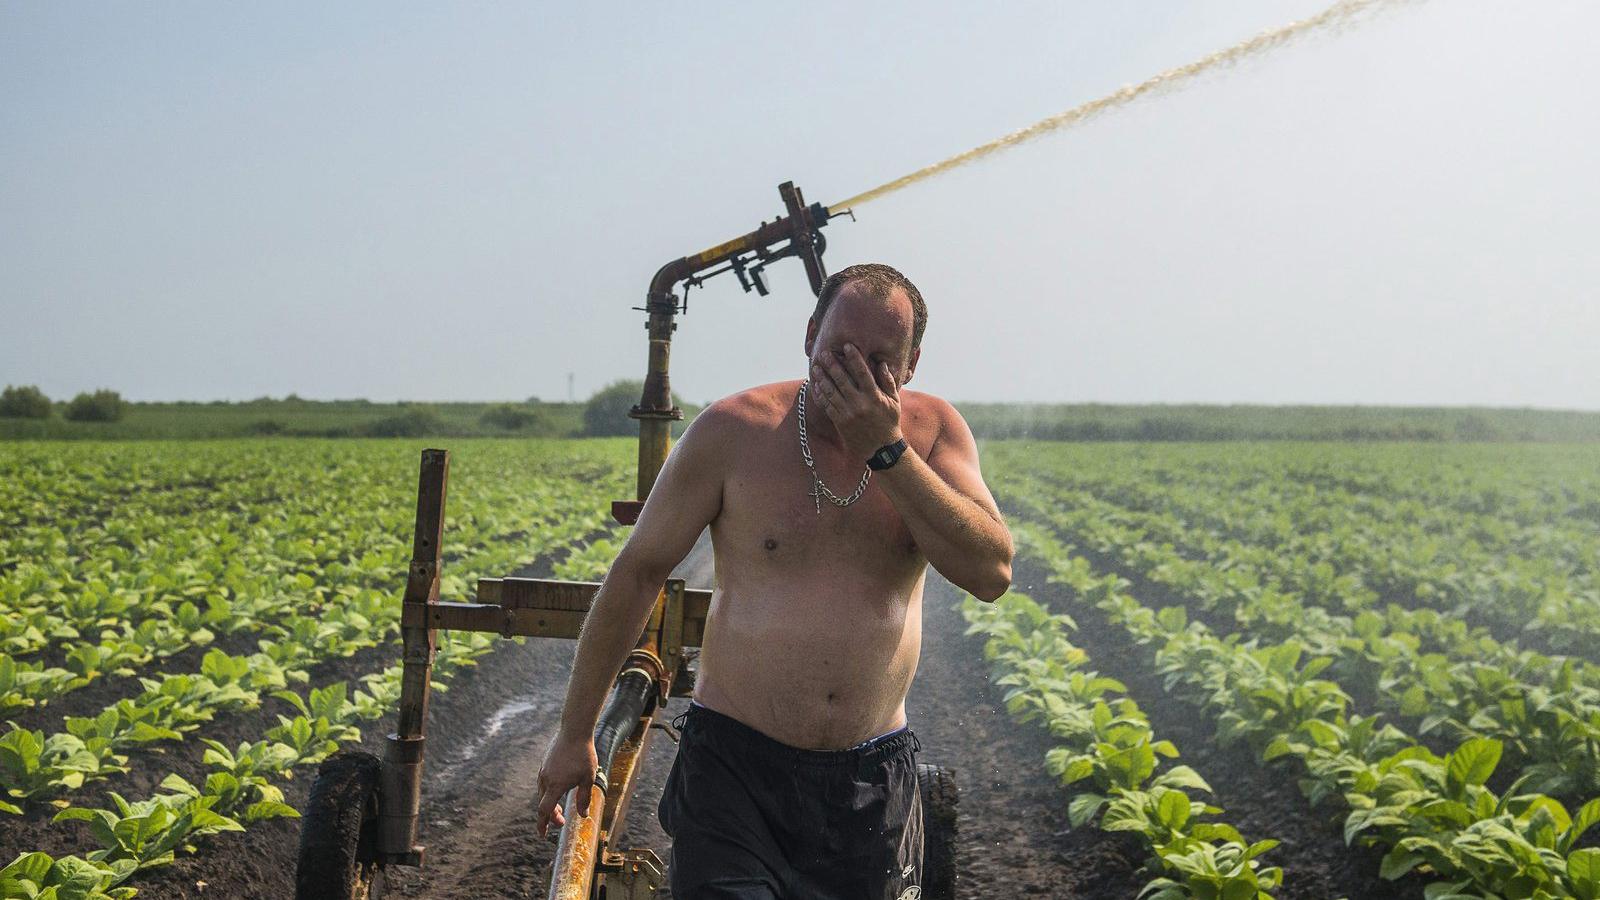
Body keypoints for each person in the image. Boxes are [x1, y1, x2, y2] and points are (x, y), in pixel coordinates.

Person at [535, 262, 1014, 899]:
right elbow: (637, 571)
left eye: (878, 361)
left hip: (870, 780)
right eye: (838, 350)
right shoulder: (735, 431)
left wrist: (887, 449)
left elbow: (992, 572)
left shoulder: (934, 435)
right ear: (810, 333)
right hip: (735, 774)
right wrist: (574, 735)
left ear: (912, 363)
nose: (852, 372)